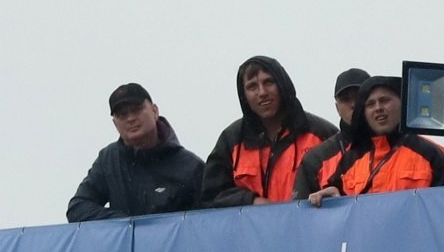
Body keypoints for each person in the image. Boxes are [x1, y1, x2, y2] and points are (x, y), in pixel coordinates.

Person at [202, 56, 338, 208]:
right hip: (251, 230)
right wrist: (252, 201)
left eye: (268, 82)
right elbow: (210, 197)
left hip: (308, 228)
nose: (262, 92)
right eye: (252, 86)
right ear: (244, 96)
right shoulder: (231, 140)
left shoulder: (321, 133)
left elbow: (345, 191)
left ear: (282, 85)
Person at [309, 76, 444, 207]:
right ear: (364, 113)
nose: (378, 108)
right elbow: (339, 208)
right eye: (370, 104)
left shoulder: (431, 153)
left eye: (385, 100)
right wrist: (331, 197)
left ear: (402, 104)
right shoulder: (350, 159)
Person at [67, 83, 204, 221]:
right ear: (115, 124)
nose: (130, 118)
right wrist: (125, 225)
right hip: (123, 242)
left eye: (137, 110)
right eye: (122, 114)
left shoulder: (190, 167)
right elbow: (77, 208)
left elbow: (207, 223)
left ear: (155, 111)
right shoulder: (108, 160)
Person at [293, 67, 370, 199]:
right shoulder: (315, 159)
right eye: (345, 99)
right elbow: (300, 213)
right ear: (337, 108)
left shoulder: (402, 147)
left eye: (359, 97)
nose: (353, 104)